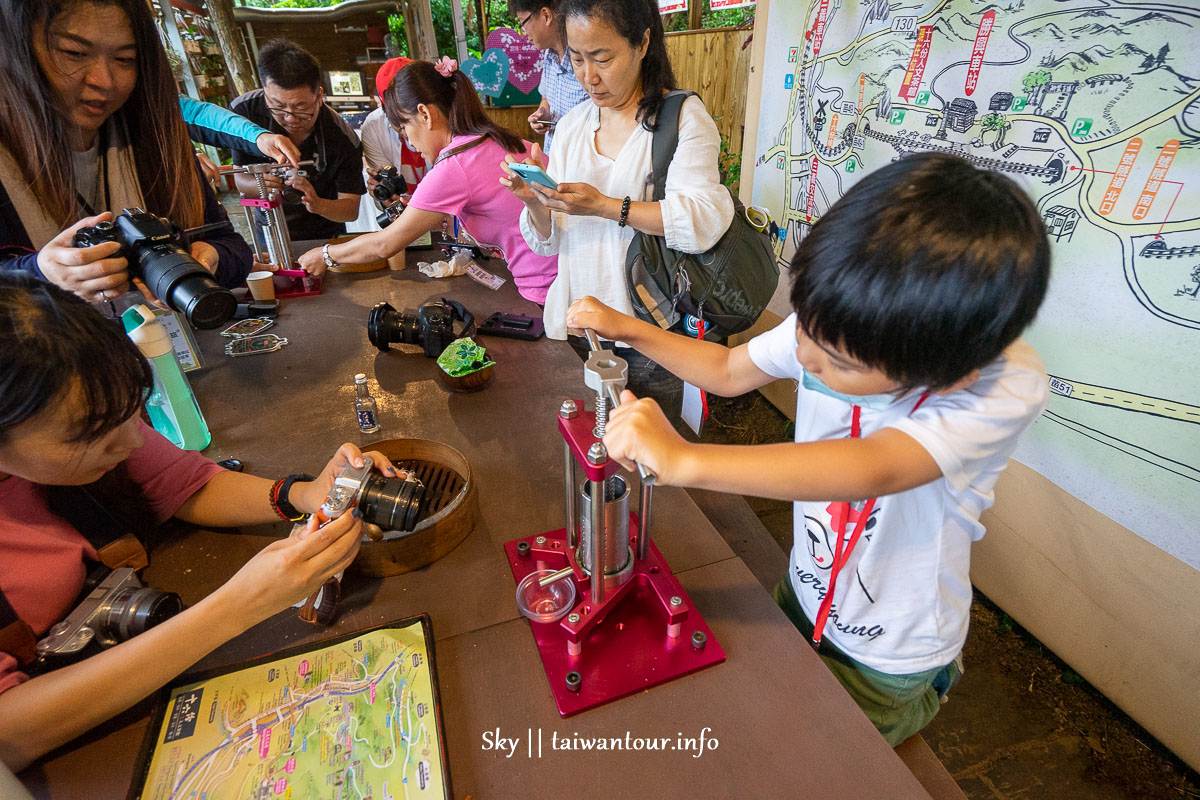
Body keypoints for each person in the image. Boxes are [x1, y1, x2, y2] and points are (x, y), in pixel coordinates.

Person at [565, 153, 1052, 746]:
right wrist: (630, 327)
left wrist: (686, 459)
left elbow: (875, 468)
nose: (808, 358)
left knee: (837, 756)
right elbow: (725, 368)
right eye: (806, 332)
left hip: (887, 653)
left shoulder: (1001, 385)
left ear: (950, 376)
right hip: (802, 590)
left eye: (837, 363)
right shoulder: (833, 322)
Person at [0, 273, 403, 773]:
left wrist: (306, 494)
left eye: (133, 411)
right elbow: (8, 734)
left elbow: (183, 483)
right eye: (94, 435)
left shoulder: (92, 410)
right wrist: (239, 606)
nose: (130, 443)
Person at [501, 0, 733, 404]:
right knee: (586, 449)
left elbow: (702, 220)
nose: (589, 77)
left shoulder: (681, 119)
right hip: (579, 331)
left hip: (651, 336)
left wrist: (607, 206)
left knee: (649, 457)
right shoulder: (572, 127)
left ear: (642, 43)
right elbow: (553, 241)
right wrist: (536, 201)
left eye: (602, 58)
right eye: (576, 59)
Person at [0, 0, 254, 302]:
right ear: (18, 49)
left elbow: (232, 247)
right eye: (74, 53)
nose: (104, 81)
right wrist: (40, 274)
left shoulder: (155, 142)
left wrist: (208, 257)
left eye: (124, 59)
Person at [299, 58, 559, 308]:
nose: (409, 141)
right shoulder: (496, 139)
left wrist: (326, 254)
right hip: (571, 273)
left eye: (404, 128)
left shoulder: (454, 164)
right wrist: (435, 217)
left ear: (424, 114)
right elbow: (507, 217)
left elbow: (384, 244)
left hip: (548, 289)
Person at [230, 38, 366, 243]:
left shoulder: (342, 138)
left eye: (301, 108)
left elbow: (350, 209)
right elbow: (240, 177)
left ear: (319, 95)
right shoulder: (244, 114)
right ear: (265, 92)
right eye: (277, 106)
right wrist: (263, 185)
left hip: (323, 235)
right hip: (268, 229)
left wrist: (318, 204)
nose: (290, 118)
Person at [509, 0, 589, 152]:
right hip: (553, 161)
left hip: (579, 166)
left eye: (522, 23)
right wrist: (543, 113)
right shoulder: (548, 57)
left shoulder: (586, 60)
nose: (523, 33)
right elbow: (546, 98)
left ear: (546, 15)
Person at [361, 57, 428, 196]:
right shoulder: (373, 127)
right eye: (401, 123)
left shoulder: (445, 123)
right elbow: (389, 193)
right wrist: (384, 196)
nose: (408, 134)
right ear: (385, 108)